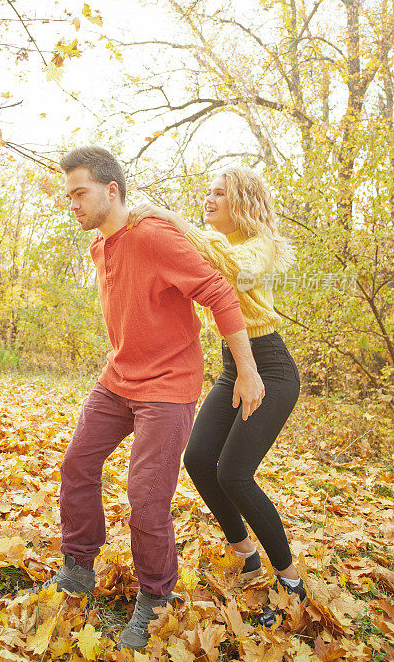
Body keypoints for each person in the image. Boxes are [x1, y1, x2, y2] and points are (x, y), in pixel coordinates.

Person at [44, 148, 264, 649]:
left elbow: (220, 293)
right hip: (118, 378)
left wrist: (247, 372)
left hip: (167, 387)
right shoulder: (99, 247)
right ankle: (78, 569)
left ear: (111, 190)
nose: (72, 204)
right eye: (69, 195)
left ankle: (157, 598)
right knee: (77, 465)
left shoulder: (152, 236)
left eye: (80, 193)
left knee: (145, 497)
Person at [128, 167, 305, 626]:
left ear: (242, 202)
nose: (209, 200)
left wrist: (170, 217)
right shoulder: (214, 243)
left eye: (219, 194)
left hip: (270, 369)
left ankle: (290, 582)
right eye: (207, 192)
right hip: (234, 367)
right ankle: (245, 552)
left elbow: (233, 266)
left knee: (235, 474)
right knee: (199, 459)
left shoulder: (258, 245)